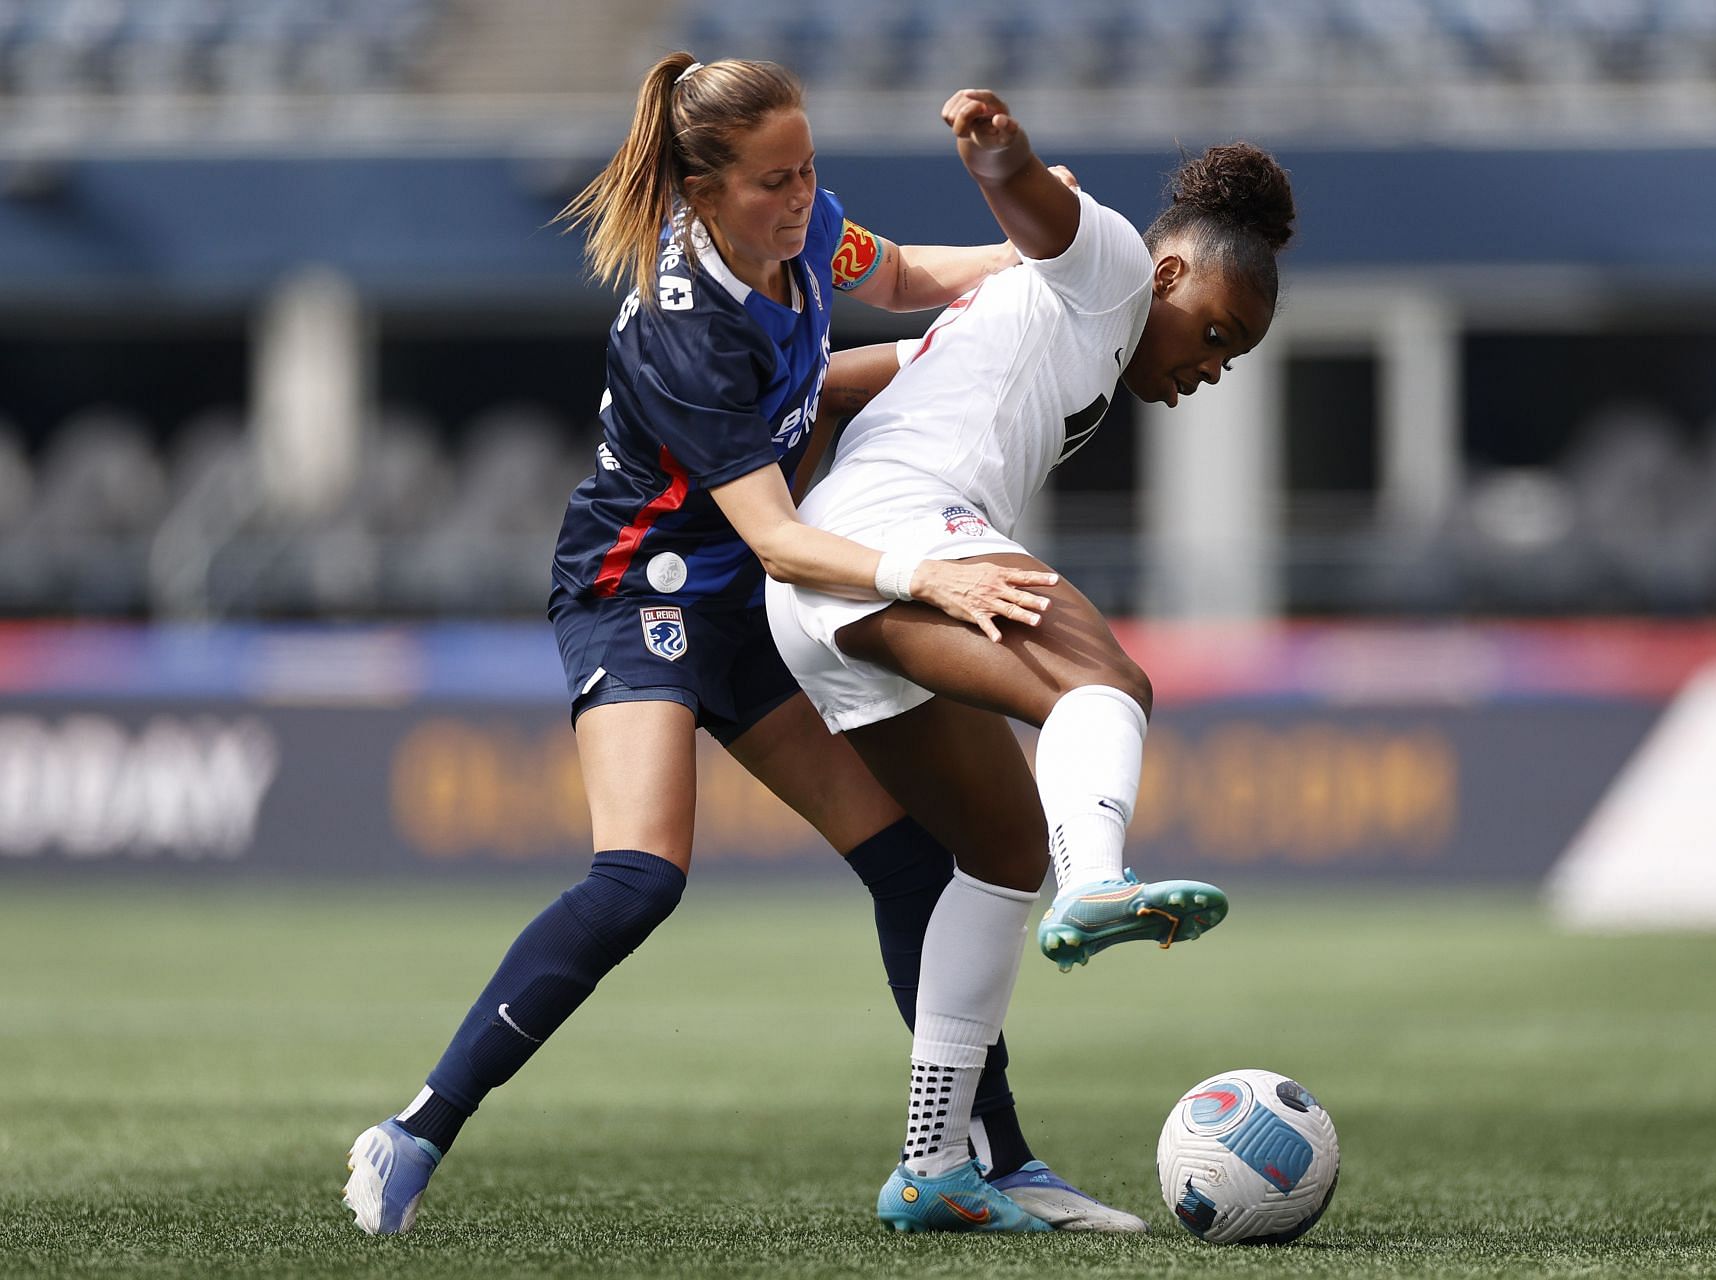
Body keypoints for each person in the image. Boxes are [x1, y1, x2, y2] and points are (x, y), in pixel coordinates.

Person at [341, 55, 1148, 1237]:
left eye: (808, 168)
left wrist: (1039, 262)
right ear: (701, 189)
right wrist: (928, 571)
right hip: (643, 589)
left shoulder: (802, 220)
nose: (800, 196)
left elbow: (910, 271)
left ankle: (992, 1162)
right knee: (641, 876)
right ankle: (413, 1129)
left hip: (752, 603)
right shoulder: (685, 326)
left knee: (916, 865)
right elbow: (775, 535)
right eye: (774, 180)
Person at [763, 90, 1296, 1231]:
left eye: (1237, 355)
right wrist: (998, 152)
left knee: (1002, 849)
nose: (1215, 365)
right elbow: (1041, 203)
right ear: (1168, 276)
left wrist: (774, 464)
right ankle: (1098, 876)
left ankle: (935, 1163)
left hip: (828, 587)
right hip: (902, 540)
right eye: (1216, 331)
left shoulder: (1050, 329)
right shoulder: (1109, 269)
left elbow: (855, 375)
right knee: (1110, 684)